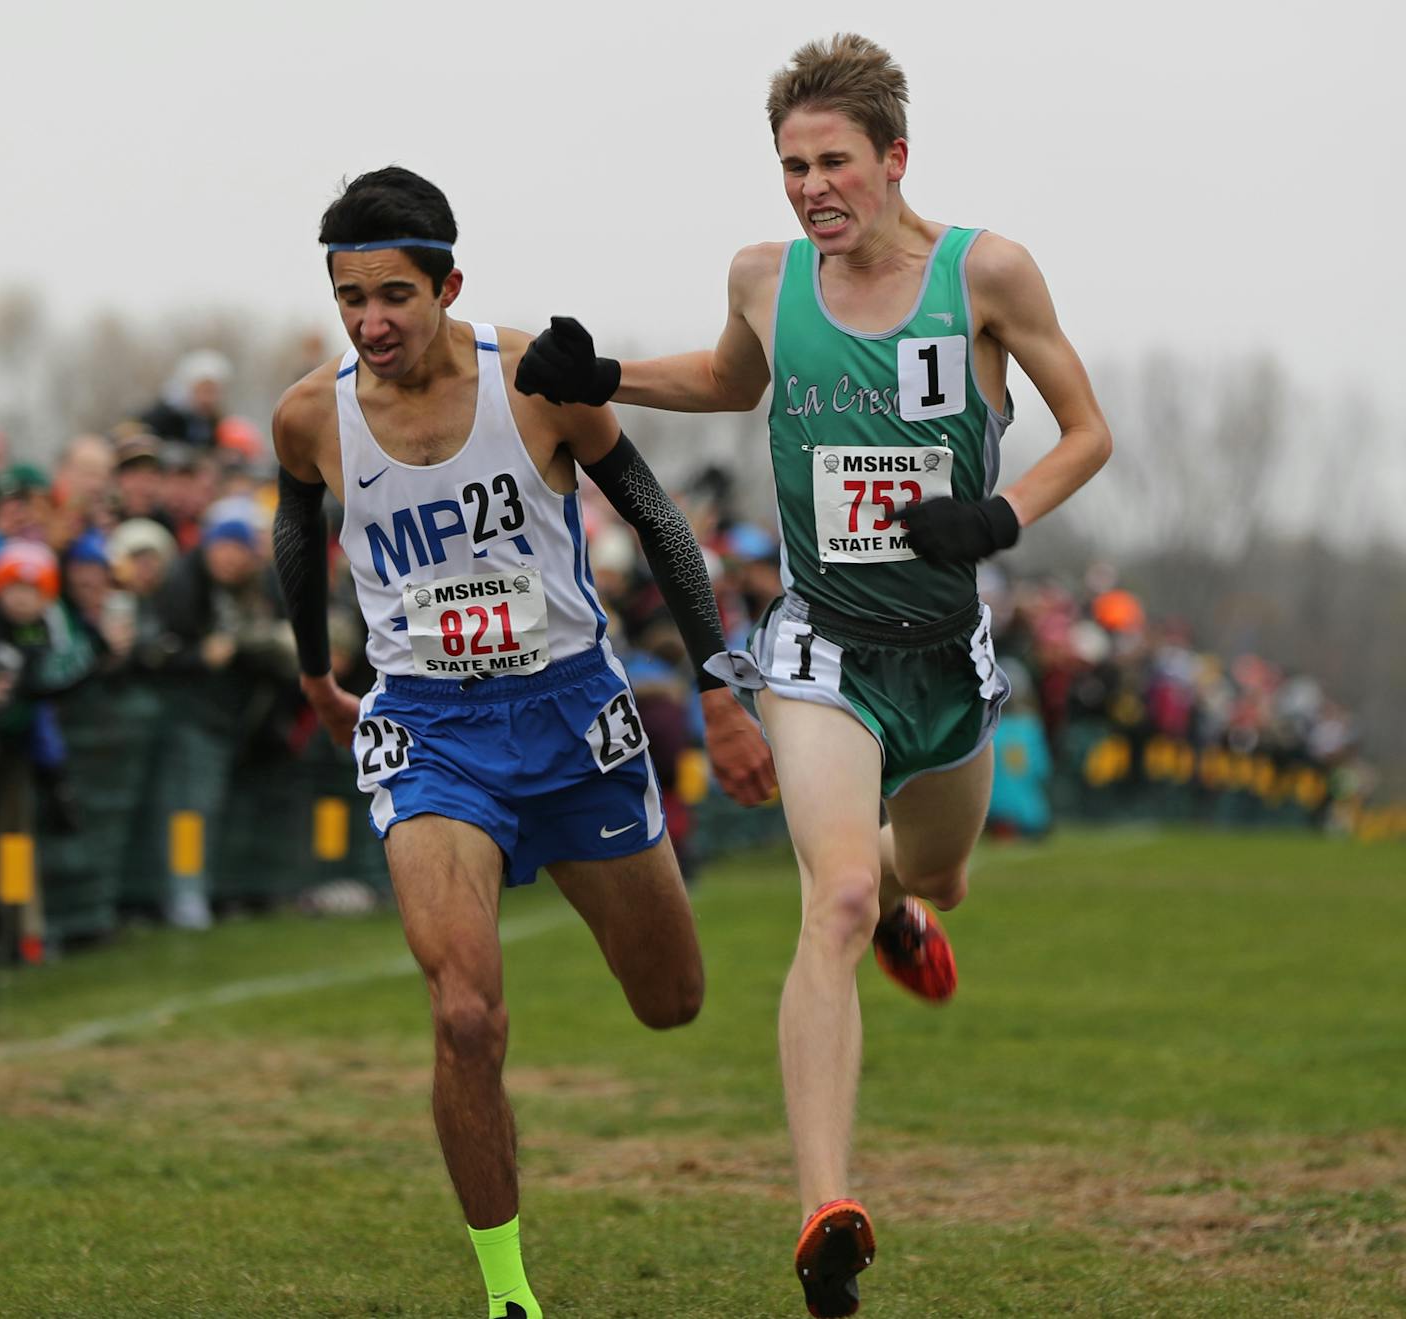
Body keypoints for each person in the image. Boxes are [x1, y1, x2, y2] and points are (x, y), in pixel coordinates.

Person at [515, 34, 1112, 1317]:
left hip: (945, 656)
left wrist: (998, 517)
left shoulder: (985, 272)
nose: (808, 187)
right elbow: (730, 381)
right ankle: (825, 1211)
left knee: (929, 872)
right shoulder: (762, 277)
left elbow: (1088, 430)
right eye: (790, 165)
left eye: (832, 161)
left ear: (895, 161)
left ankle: (910, 901)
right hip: (820, 648)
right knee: (832, 898)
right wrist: (604, 377)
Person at [270, 166, 774, 1319]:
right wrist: (315, 669)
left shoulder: (536, 381)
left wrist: (720, 688)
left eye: (394, 294)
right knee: (461, 1012)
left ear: (450, 282)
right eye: (350, 299)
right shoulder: (315, 411)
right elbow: (299, 526)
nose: (371, 323)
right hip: (428, 730)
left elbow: (655, 519)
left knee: (671, 999)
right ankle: (506, 1291)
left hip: (570, 717)